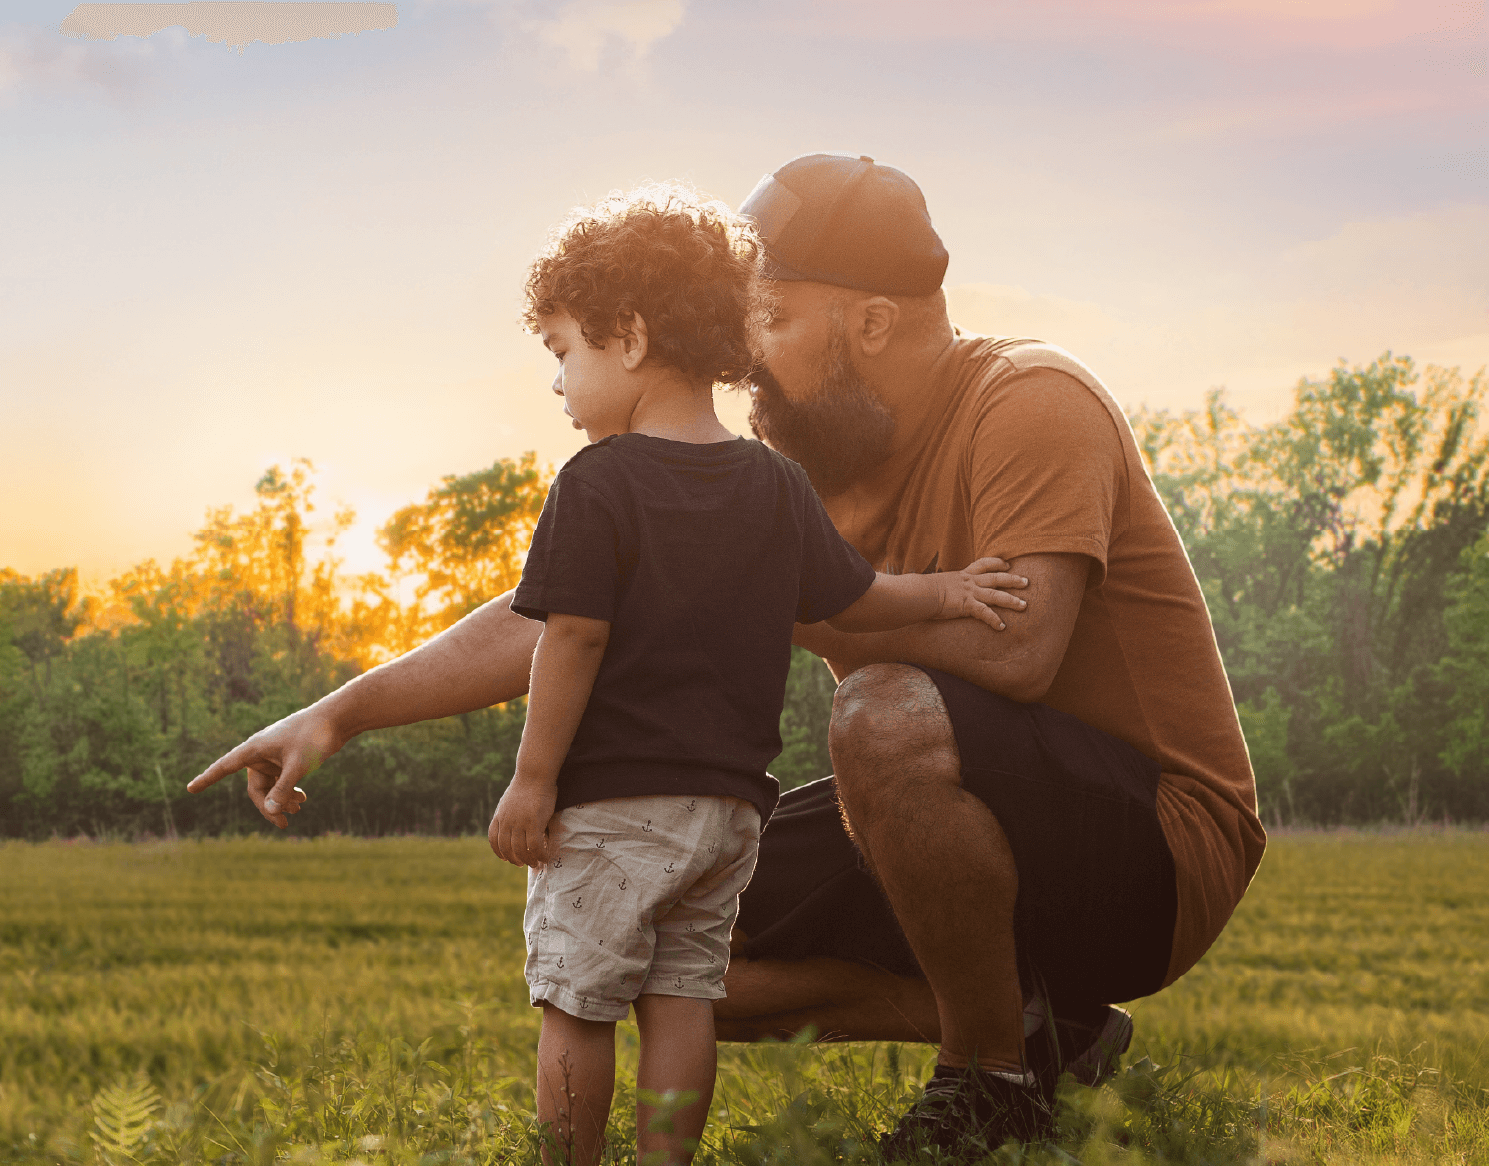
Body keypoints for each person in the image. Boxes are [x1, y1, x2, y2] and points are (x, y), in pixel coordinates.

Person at [186, 154, 1262, 1164]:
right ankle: (1038, 1027)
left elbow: (1022, 653)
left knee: (878, 713)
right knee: (662, 928)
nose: (746, 355)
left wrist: (787, 612)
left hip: (1154, 847)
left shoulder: (1029, 400)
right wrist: (338, 713)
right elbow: (556, 610)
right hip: (947, 820)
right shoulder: (800, 456)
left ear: (873, 321)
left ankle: (989, 1080)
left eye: (775, 320)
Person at [492, 183, 1030, 1166]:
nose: (558, 384)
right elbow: (855, 597)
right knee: (680, 994)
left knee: (576, 998)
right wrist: (951, 591)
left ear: (632, 337)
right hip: (727, 810)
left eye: (563, 351)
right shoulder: (772, 481)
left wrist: (533, 780)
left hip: (612, 801)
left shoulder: (597, 482)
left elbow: (566, 640)